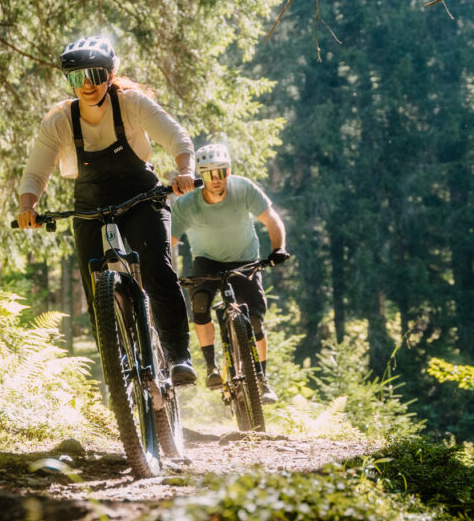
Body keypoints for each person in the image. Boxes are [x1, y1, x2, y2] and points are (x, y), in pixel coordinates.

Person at [16, 36, 199, 386]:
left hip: (142, 196)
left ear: (110, 75)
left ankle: (178, 357)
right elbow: (37, 171)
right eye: (77, 77)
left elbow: (177, 137)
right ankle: (118, 378)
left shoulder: (131, 103)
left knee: (157, 268)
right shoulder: (60, 119)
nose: (87, 84)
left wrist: (185, 170)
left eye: (96, 75)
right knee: (93, 286)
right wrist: (28, 206)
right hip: (90, 204)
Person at [170, 142, 289, 403]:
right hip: (206, 261)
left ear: (229, 171)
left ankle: (262, 380)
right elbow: (170, 241)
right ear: (201, 175)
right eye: (210, 174)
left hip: (244, 260)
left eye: (222, 172)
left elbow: (272, 220)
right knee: (200, 304)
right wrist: (161, 271)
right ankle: (211, 368)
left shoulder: (243, 188)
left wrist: (278, 249)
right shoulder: (186, 204)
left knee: (255, 320)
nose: (217, 179)